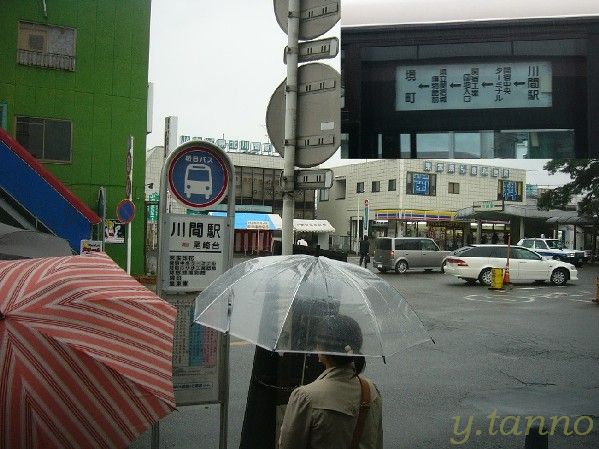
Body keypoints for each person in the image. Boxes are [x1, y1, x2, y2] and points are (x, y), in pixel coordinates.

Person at [279, 314, 383, 449]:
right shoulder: (371, 391)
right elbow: (377, 442)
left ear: (322, 348)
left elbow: (288, 445)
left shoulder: (305, 397)